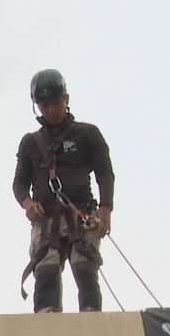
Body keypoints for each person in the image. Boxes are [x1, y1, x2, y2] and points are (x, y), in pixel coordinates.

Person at [13, 69, 115, 312]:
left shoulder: (87, 134)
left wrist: (106, 208)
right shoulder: (31, 142)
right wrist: (27, 203)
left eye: (55, 103)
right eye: (44, 105)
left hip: (81, 213)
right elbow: (19, 183)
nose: (50, 110)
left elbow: (104, 172)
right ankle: (47, 320)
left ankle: (91, 318)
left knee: (84, 267)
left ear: (66, 99)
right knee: (45, 269)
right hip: (46, 216)